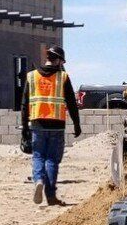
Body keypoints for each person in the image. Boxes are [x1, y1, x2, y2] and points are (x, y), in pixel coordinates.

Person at [20, 45, 81, 205]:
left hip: (37, 124)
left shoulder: (32, 76)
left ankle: (39, 180)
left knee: (38, 156)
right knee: (52, 159)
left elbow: (24, 105)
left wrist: (24, 127)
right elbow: (72, 104)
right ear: (58, 60)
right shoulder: (63, 77)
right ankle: (51, 196)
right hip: (56, 125)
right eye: (62, 62)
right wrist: (77, 124)